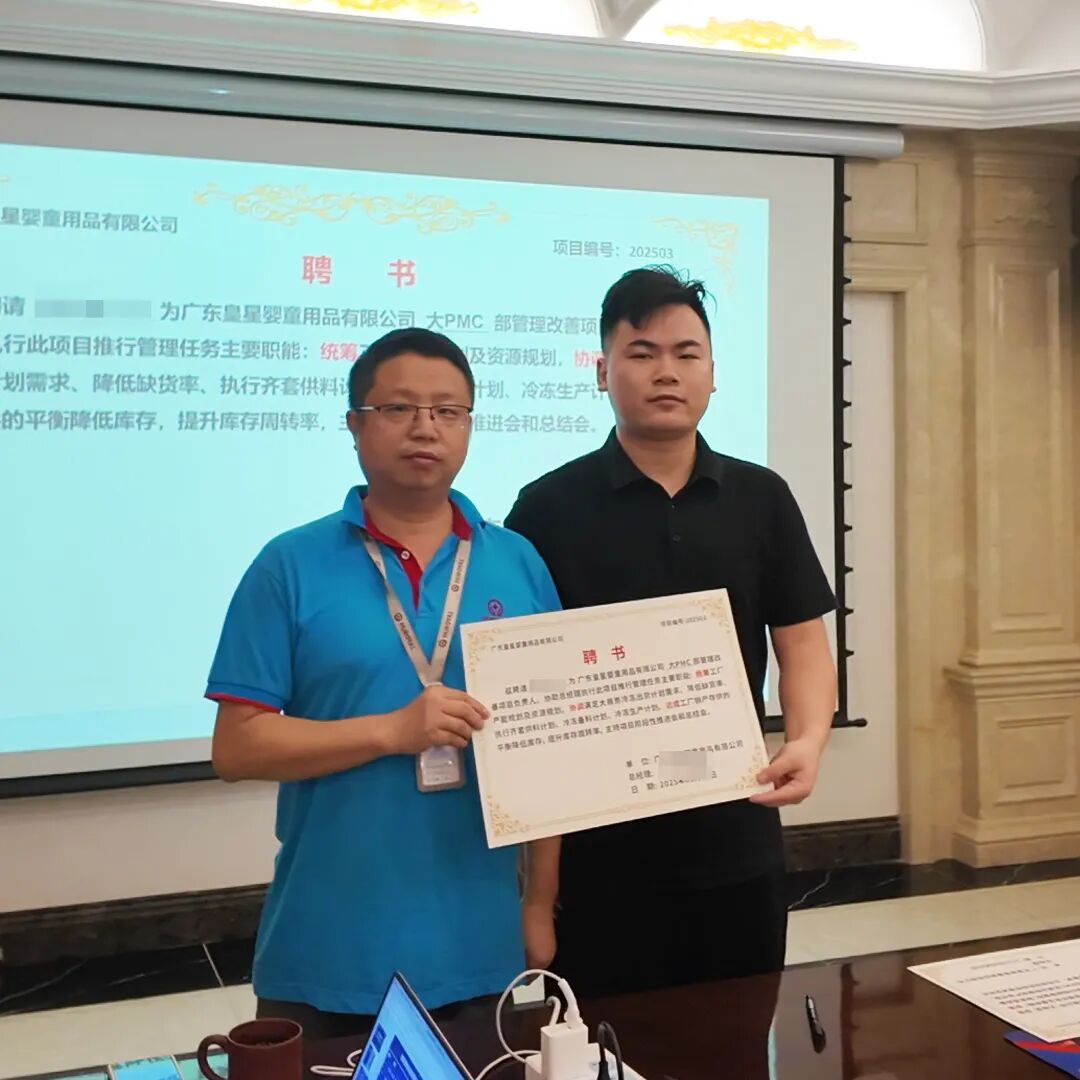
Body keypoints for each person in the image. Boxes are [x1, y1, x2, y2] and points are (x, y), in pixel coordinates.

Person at [205, 328, 561, 1040]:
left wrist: (538, 905)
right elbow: (237, 748)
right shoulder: (289, 565)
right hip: (329, 947)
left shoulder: (518, 562)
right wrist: (391, 732)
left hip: (482, 946)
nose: (426, 428)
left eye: (448, 410)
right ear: (355, 424)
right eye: (398, 408)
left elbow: (548, 750)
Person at [505, 267, 837, 998]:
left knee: (737, 1040)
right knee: (599, 1047)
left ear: (713, 374)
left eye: (687, 354)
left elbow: (803, 642)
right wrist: (536, 894)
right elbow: (524, 698)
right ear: (603, 371)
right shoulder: (547, 508)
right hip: (598, 860)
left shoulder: (762, 497)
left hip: (738, 844)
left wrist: (809, 739)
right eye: (642, 352)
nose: (667, 372)